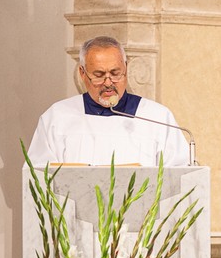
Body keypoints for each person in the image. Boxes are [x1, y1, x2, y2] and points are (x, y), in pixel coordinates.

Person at [27, 36, 190, 166]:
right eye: (98, 75)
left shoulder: (157, 117)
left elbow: (179, 176)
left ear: (126, 68)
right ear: (82, 73)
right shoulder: (57, 117)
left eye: (115, 73)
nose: (108, 83)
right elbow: (38, 176)